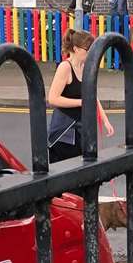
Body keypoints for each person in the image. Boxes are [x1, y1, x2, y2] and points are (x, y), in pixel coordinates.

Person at [46, 28, 113, 163]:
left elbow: (93, 96)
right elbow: (53, 98)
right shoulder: (65, 67)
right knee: (65, 174)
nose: (91, 53)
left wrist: (105, 120)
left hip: (81, 129)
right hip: (64, 132)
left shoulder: (86, 67)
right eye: (88, 50)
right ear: (76, 49)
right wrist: (81, 102)